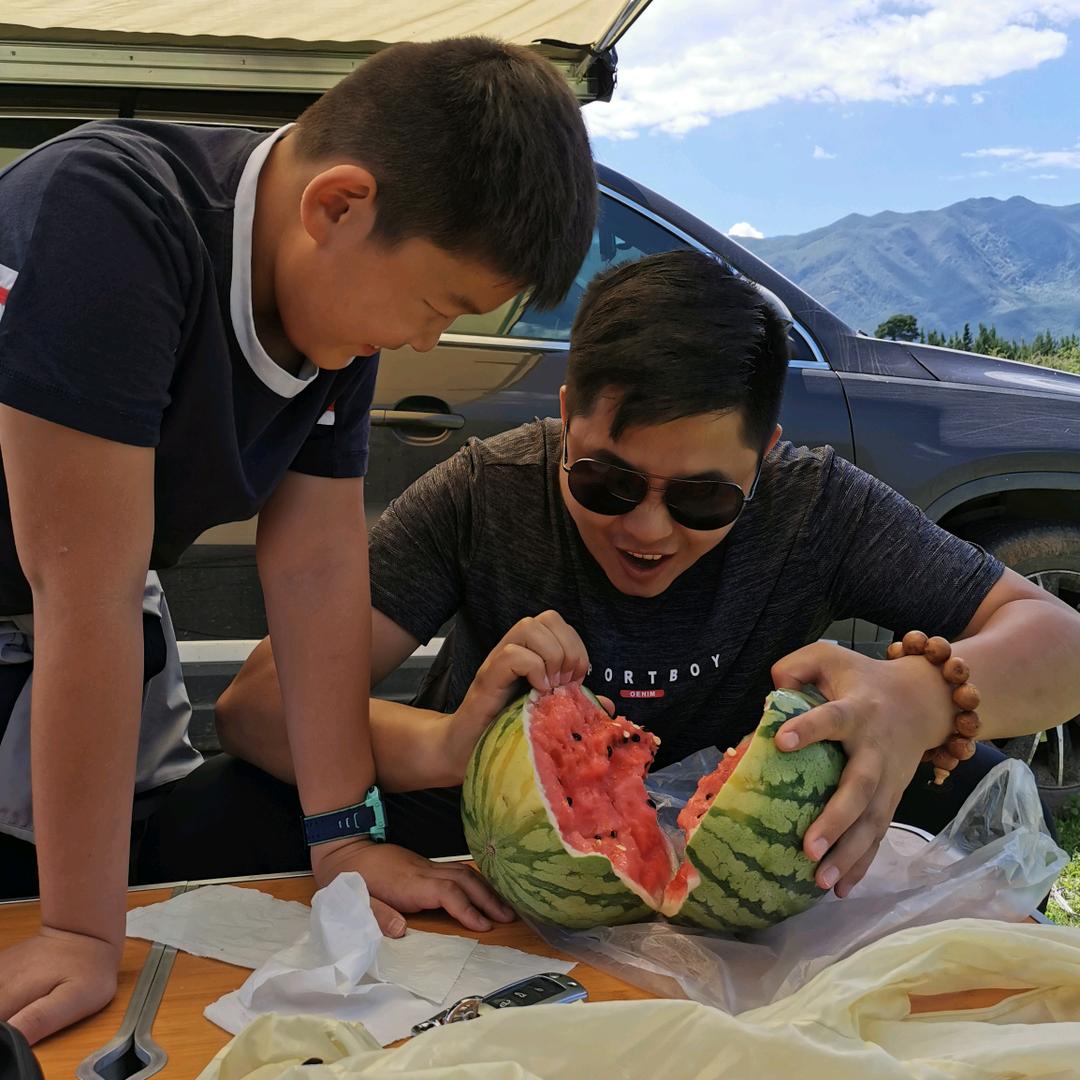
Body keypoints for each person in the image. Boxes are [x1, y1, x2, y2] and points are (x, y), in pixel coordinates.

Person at [154, 250, 1080, 910]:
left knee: (978, 782)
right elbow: (255, 704)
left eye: (705, 499)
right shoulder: (491, 490)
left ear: (766, 454)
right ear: (565, 420)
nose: (646, 529)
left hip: (744, 861)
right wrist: (448, 743)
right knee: (216, 811)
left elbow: (1059, 641)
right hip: (481, 828)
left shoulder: (815, 505)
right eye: (606, 480)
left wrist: (921, 699)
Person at [0, 37, 596, 1044]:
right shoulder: (110, 215)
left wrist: (344, 838)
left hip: (84, 623)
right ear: (340, 204)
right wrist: (77, 926)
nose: (423, 343)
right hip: (66, 604)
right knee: (51, 934)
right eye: (436, 304)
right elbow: (82, 594)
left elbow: (319, 569)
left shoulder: (329, 296)